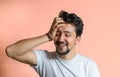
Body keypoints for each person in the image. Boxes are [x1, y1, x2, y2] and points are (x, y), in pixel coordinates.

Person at [5, 10, 100, 77]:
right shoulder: (44, 59)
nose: (61, 39)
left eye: (67, 35)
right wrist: (48, 36)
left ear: (77, 40)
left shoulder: (88, 65)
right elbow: (11, 51)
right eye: (57, 34)